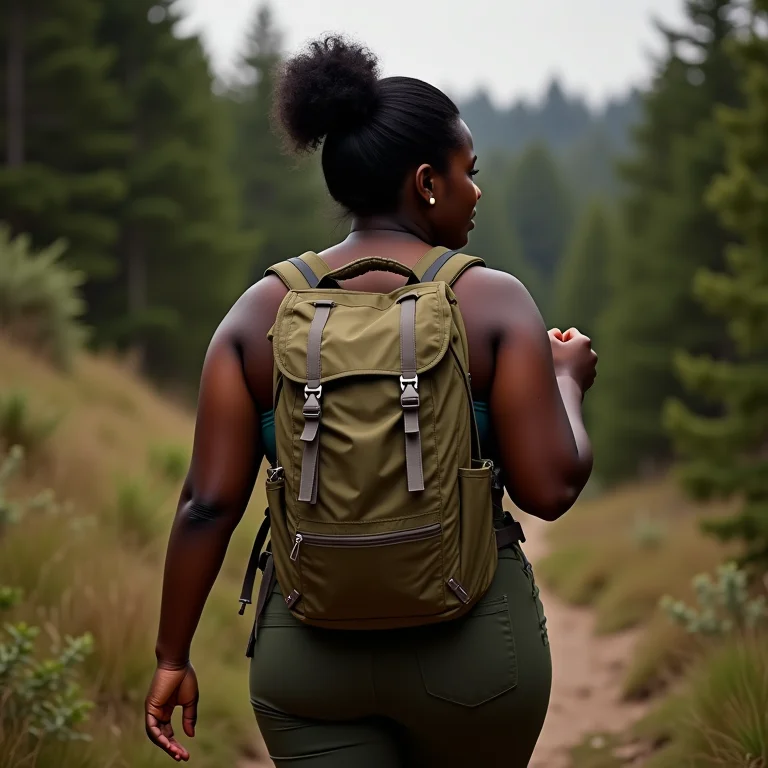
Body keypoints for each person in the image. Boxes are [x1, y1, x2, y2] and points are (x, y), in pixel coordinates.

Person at [144, 35, 597, 768]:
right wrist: (567, 379)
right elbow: (550, 488)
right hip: (476, 653)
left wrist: (172, 655)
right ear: (426, 183)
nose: (476, 192)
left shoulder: (259, 313)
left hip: (309, 662)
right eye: (466, 174)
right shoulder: (491, 301)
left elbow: (206, 503)